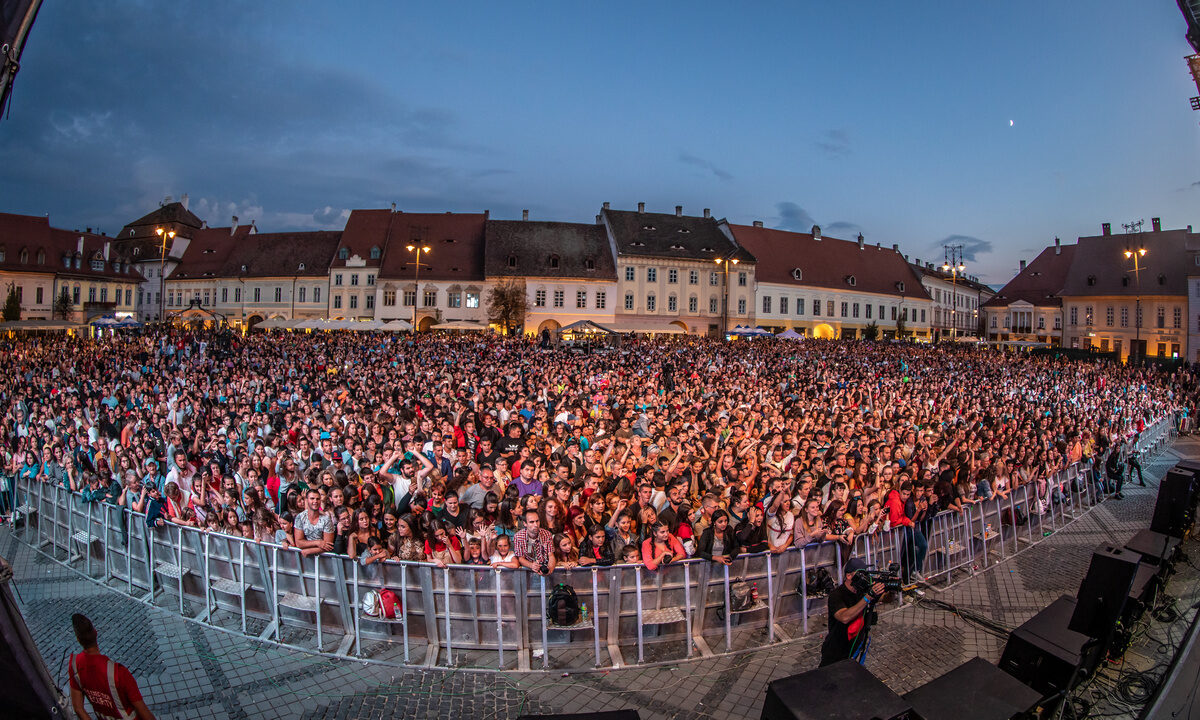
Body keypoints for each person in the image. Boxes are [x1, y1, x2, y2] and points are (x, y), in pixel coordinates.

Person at [68, 613, 156, 719]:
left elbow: (78, 708)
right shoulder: (119, 673)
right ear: (95, 632)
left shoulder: (75, 665)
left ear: (78, 639)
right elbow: (143, 711)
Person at [819, 559, 885, 667]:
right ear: (849, 576)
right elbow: (844, 617)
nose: (865, 577)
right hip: (836, 650)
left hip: (855, 649)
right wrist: (867, 597)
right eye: (861, 574)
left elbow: (885, 598)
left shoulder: (863, 589)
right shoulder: (837, 595)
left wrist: (890, 590)